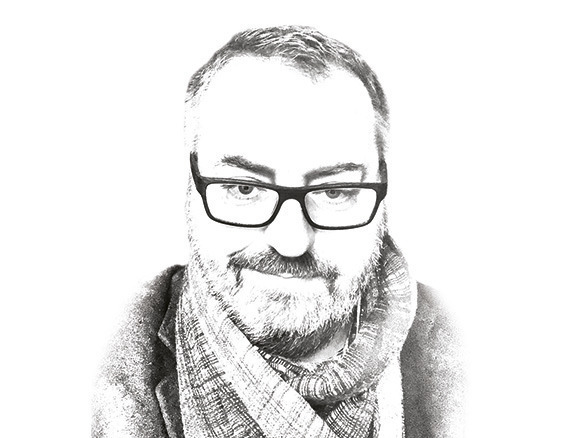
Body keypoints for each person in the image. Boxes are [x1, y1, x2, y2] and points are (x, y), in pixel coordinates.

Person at [93, 26, 463, 438]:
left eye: (334, 191)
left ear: (383, 189)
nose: (291, 241)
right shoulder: (96, 362)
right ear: (191, 185)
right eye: (243, 188)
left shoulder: (471, 351)